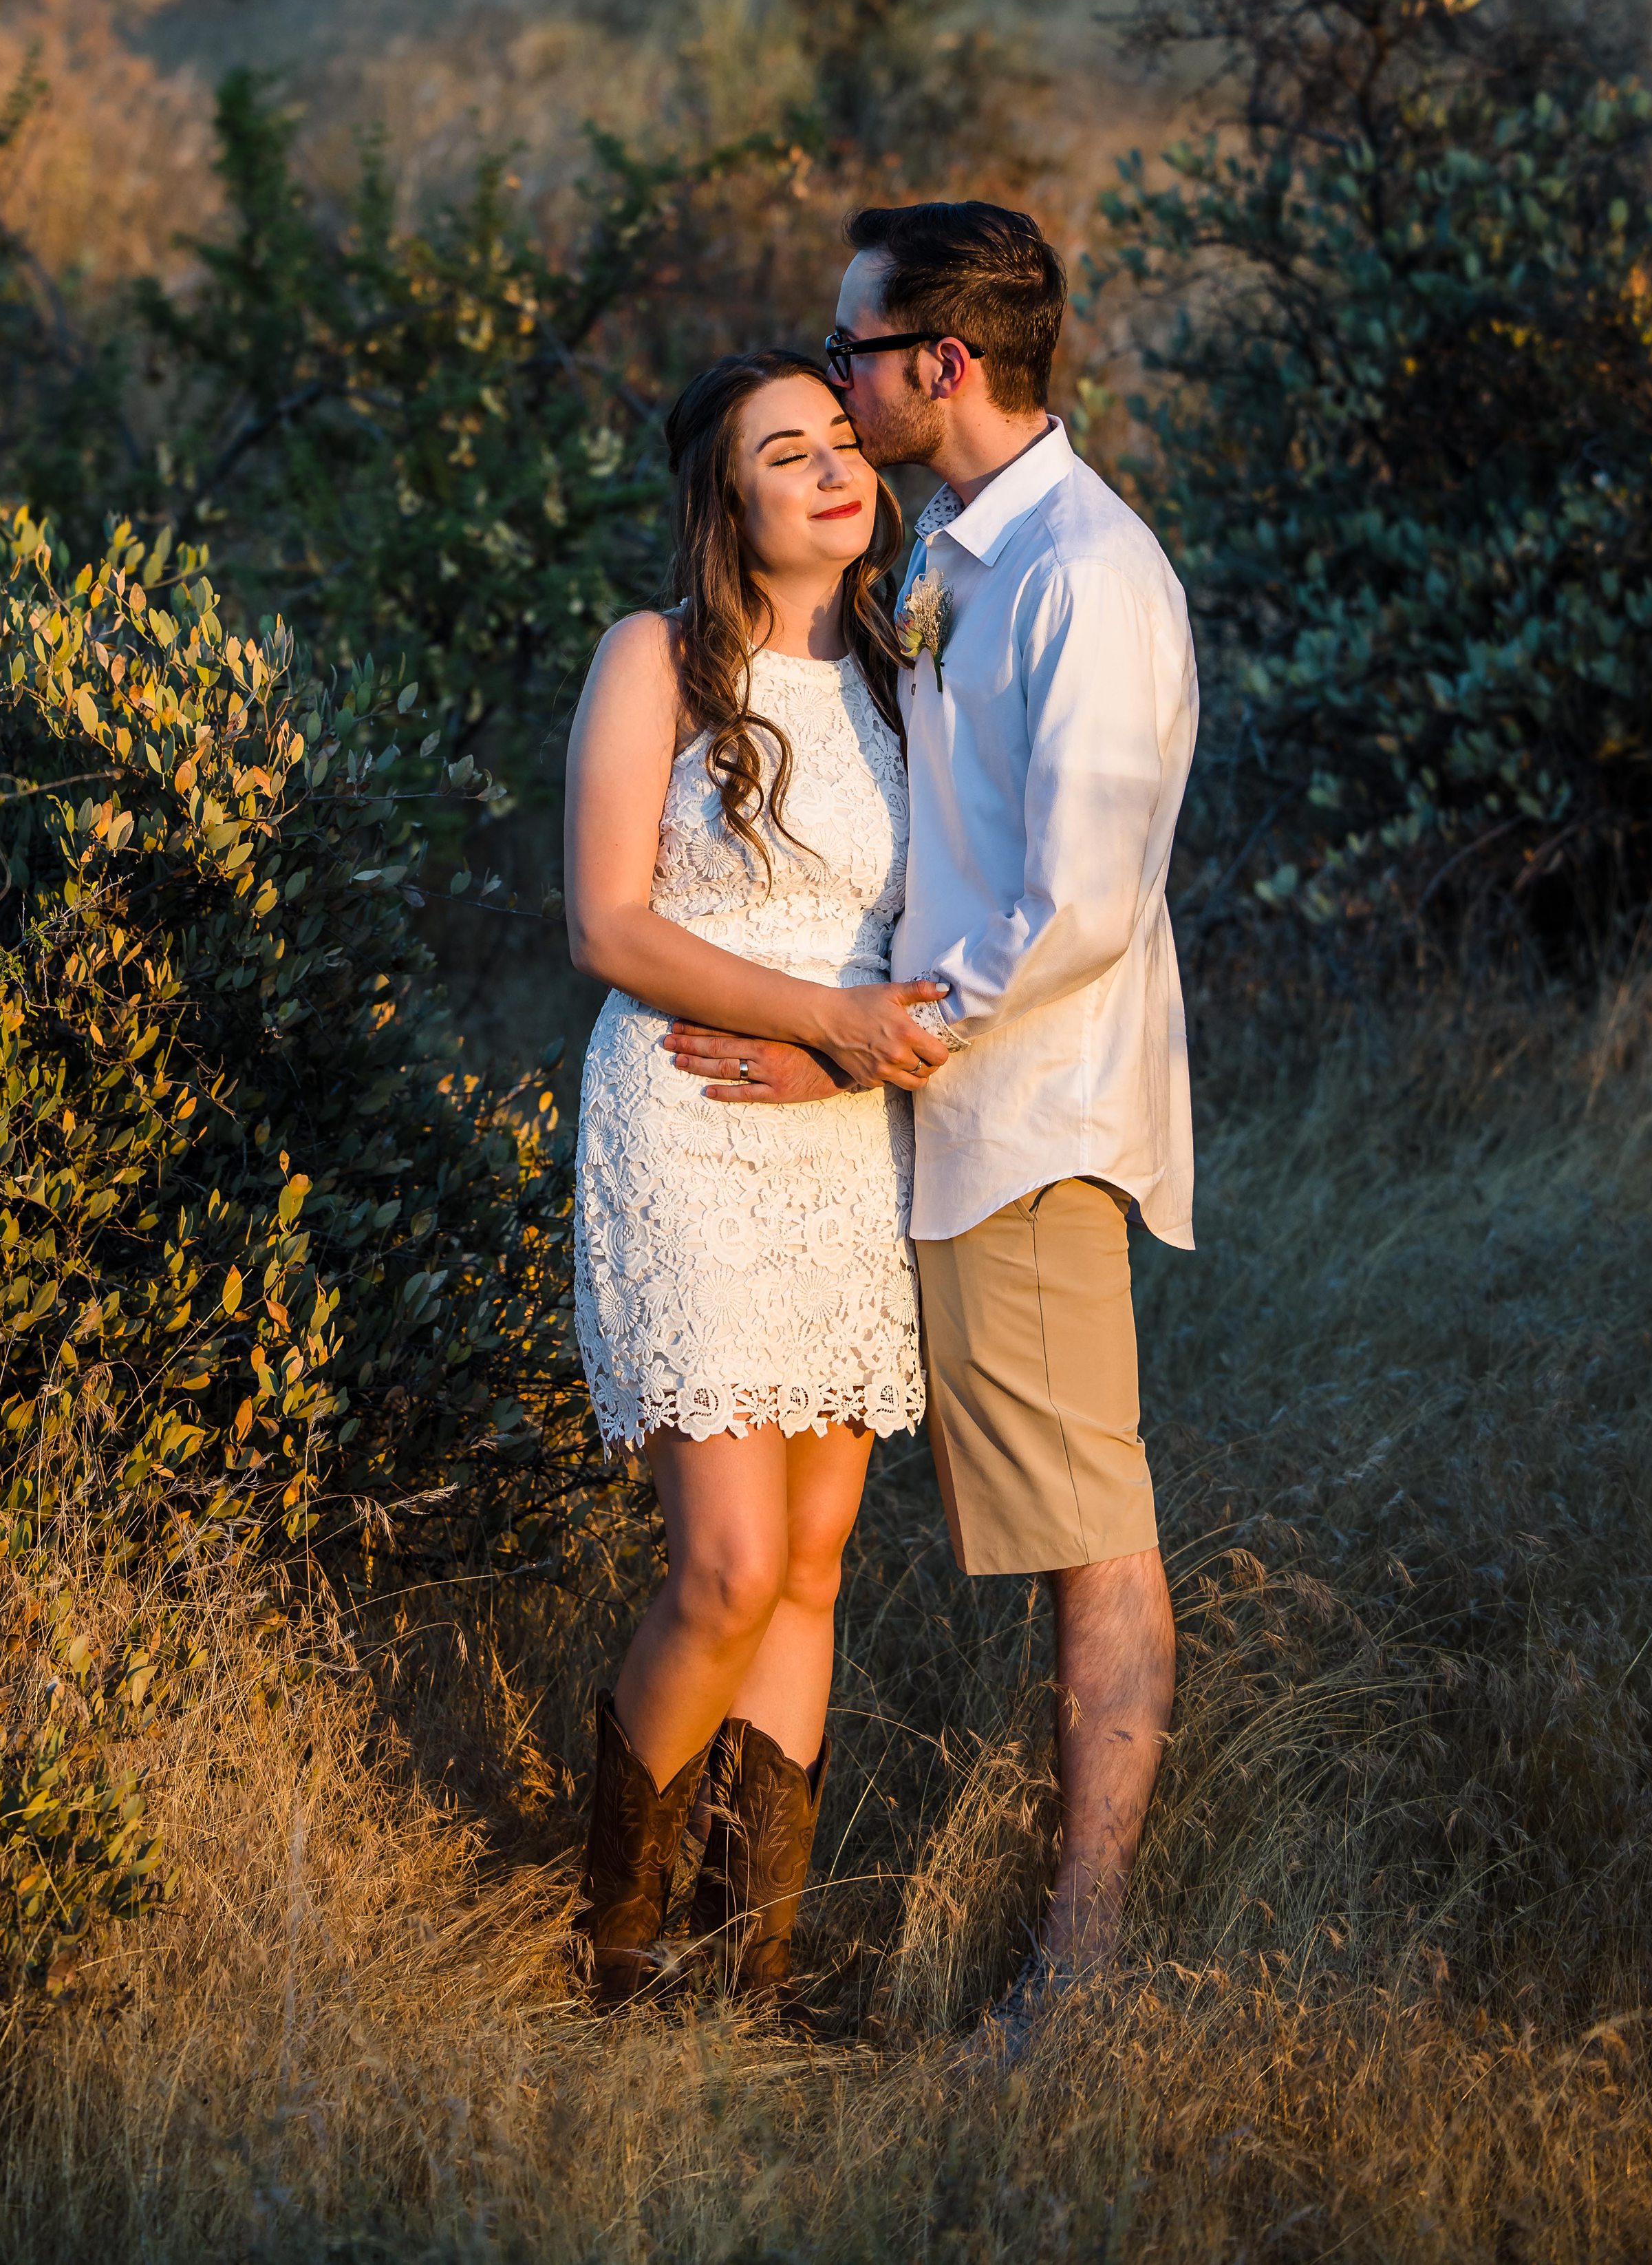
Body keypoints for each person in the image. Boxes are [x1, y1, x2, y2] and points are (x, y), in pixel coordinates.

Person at [663, 202, 1199, 2041]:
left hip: (1023, 1116)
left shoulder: (1086, 571)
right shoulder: (964, 547)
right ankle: (740, 1963)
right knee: (1023, 1528)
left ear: (939, 367)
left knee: (1091, 1536)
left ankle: (1077, 1974)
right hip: (944, 1120)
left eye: (856, 352)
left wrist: (871, 1045)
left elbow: (1085, 897)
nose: (836, 378)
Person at [562, 350, 951, 2010]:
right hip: (691, 1116)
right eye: (785, 454)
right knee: (722, 1565)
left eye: (845, 442)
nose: (831, 470)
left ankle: (753, 1972)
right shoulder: (655, 659)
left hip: (846, 1132)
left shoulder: (903, 671)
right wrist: (824, 1021)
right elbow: (611, 925)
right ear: (729, 502)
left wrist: (854, 1053)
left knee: (809, 1566)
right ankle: (618, 1958)